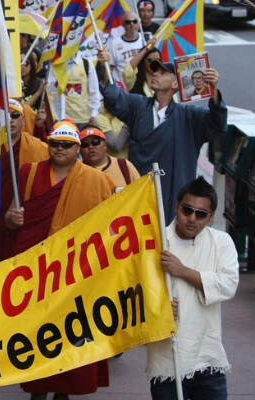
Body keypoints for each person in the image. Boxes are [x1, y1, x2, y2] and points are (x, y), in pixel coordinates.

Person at [5, 121, 114, 400]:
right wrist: (12, 219)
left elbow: (108, 226)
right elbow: (9, 219)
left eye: (67, 145)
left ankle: (64, 389)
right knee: (37, 330)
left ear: (77, 148)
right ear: (48, 144)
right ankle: (38, 388)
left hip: (75, 271)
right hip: (36, 272)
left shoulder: (96, 180)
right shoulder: (28, 174)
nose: (60, 149)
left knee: (70, 328)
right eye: (55, 143)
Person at [101, 59, 226, 222]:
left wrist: (214, 91)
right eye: (155, 72)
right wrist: (105, 66)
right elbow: (114, 99)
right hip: (141, 190)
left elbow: (216, 124)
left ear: (175, 84)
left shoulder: (189, 116)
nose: (156, 75)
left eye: (163, 73)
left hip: (174, 192)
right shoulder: (138, 105)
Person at [148, 177, 239, 400]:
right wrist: (157, 309)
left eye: (200, 214)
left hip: (207, 355)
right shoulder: (155, 242)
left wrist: (183, 271)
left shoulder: (222, 242)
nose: (192, 218)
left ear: (211, 216)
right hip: (167, 359)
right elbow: (135, 290)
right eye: (187, 210)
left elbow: (228, 284)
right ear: (177, 206)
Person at [0, 99, 49, 268]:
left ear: (23, 120)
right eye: (6, 115)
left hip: (21, 207)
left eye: (15, 115)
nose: (10, 120)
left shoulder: (37, 147)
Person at [46, 53, 100, 128]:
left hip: (84, 120)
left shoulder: (86, 64)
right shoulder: (55, 65)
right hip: (62, 120)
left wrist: (94, 114)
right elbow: (49, 89)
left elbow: (94, 92)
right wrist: (58, 86)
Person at [107, 12, 145, 85]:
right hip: (125, 88)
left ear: (138, 23)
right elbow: (110, 68)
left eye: (134, 21)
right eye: (128, 22)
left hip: (144, 85)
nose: (131, 24)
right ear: (123, 24)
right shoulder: (114, 44)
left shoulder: (146, 39)